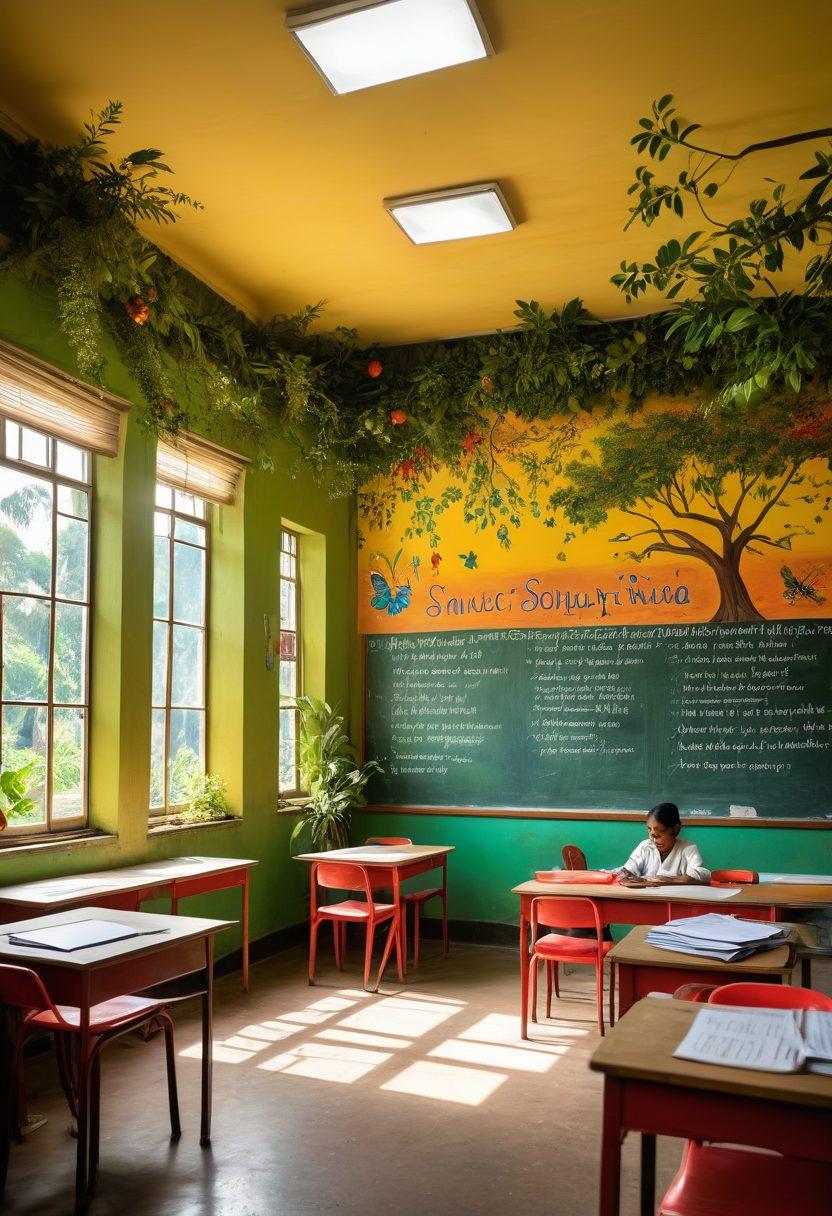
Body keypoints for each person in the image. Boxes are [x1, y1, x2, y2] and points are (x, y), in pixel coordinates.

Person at [617, 802, 710, 887]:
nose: (652, 838)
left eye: (659, 832)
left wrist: (667, 880)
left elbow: (703, 874)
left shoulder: (688, 848)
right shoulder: (645, 847)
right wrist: (625, 878)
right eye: (649, 829)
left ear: (676, 829)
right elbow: (626, 871)